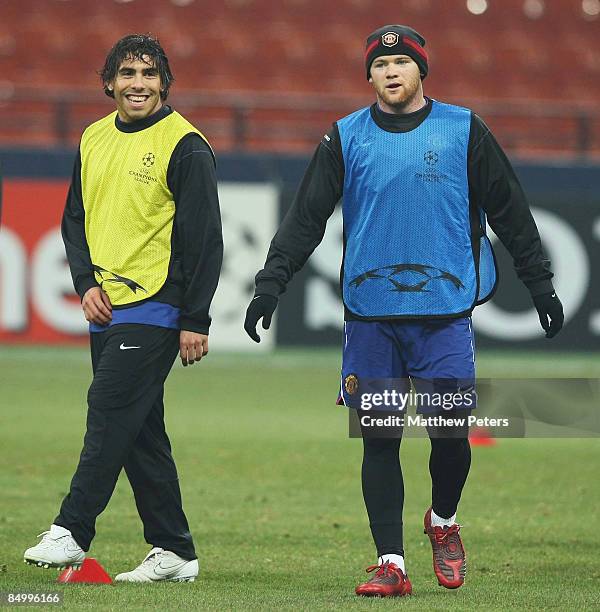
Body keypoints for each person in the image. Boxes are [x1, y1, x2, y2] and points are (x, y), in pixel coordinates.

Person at [244, 24, 564, 597]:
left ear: (422, 69)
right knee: (380, 441)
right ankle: (392, 564)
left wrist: (539, 285)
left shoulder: (464, 130)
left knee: (449, 436)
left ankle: (442, 520)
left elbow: (511, 212)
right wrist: (271, 285)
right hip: (370, 317)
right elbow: (304, 219)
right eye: (380, 63)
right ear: (369, 75)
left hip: (444, 313)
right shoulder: (345, 137)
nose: (391, 71)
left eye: (402, 61)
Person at [24, 34, 223, 583]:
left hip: (157, 304)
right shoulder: (92, 138)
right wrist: (84, 282)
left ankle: (71, 530)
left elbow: (205, 239)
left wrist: (195, 319)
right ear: (109, 82)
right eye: (128, 74)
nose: (138, 84)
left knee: (109, 406)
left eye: (149, 74)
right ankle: (174, 550)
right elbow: (74, 219)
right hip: (106, 306)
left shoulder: (186, 145)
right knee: (138, 428)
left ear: (165, 83)